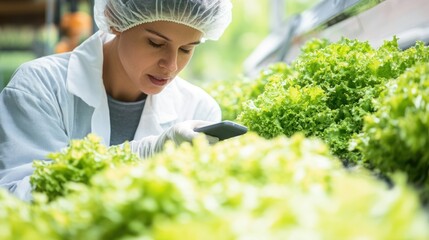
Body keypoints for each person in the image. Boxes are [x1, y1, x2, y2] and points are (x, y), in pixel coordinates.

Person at [0, 0, 233, 201]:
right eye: (155, 43)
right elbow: (16, 198)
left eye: (186, 49)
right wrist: (147, 153)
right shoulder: (40, 87)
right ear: (114, 19)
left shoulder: (198, 109)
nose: (170, 66)